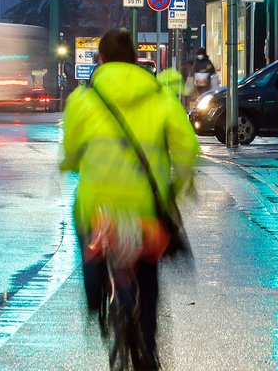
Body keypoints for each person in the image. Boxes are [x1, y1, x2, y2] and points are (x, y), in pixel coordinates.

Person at [61, 27, 199, 371]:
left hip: (99, 207)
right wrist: (179, 188)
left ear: (101, 59)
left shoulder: (84, 99)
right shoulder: (160, 95)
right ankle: (149, 349)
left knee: (83, 220)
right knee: (148, 274)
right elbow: (187, 149)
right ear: (135, 59)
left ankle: (94, 293)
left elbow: (71, 152)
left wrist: (72, 163)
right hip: (144, 208)